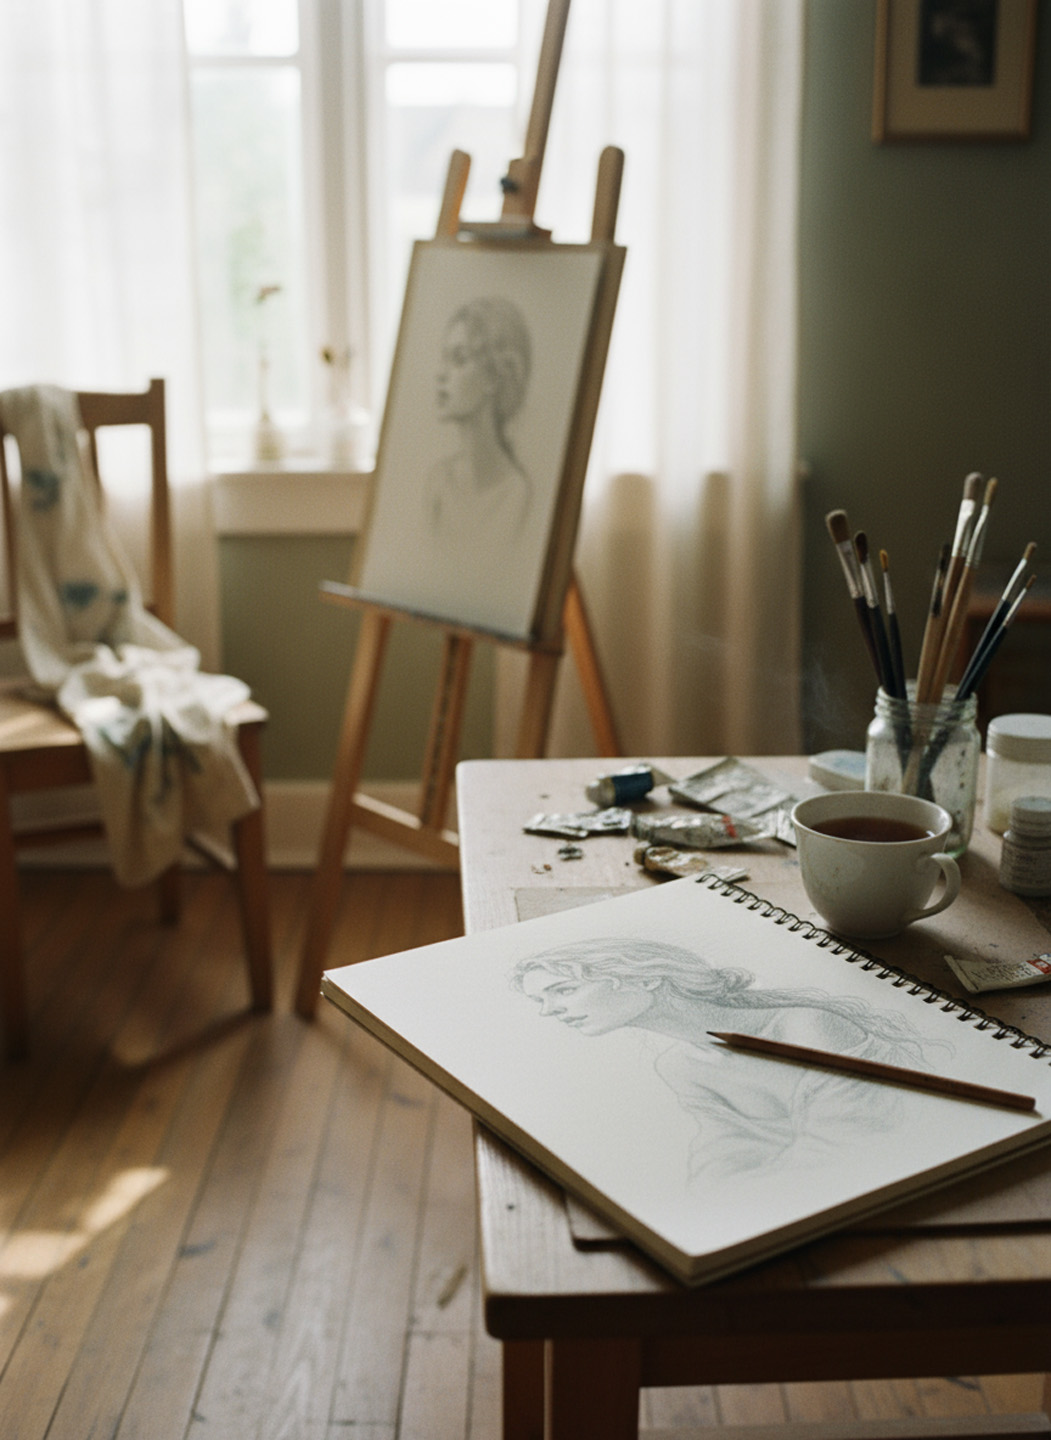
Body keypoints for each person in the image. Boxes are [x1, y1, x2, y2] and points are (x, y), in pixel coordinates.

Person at [512, 937, 942, 1178]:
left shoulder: (805, 1027)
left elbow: (856, 1149)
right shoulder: (680, 1067)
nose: (550, 1011)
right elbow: (722, 1160)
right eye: (540, 1001)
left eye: (563, 990)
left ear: (644, 978)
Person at [426, 297, 532, 542]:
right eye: (444, 358)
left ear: (494, 377)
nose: (441, 374)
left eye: (459, 359)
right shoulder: (438, 481)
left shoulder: (516, 493)